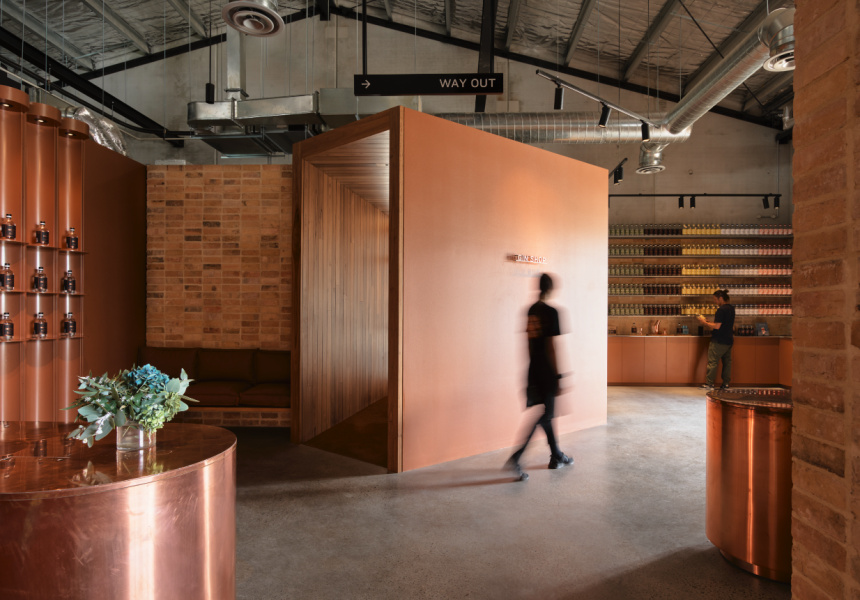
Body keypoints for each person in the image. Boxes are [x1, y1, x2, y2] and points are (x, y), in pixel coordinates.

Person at [505, 273, 573, 481]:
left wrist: (532, 370)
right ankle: (516, 457)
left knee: (547, 414)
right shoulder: (552, 312)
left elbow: (528, 343)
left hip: (533, 369)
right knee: (546, 415)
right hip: (547, 371)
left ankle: (556, 455)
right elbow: (552, 347)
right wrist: (558, 376)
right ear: (551, 289)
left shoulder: (531, 311)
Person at [697, 289, 735, 391]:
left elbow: (717, 326)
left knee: (712, 362)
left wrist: (704, 322)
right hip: (729, 340)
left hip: (718, 341)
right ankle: (726, 384)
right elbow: (723, 324)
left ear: (721, 298)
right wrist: (710, 322)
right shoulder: (731, 308)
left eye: (715, 299)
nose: (715, 302)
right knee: (727, 363)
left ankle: (709, 384)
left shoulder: (721, 310)